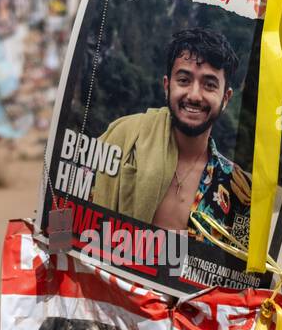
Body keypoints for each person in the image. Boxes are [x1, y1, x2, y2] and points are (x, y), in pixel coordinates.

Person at [89, 27, 250, 232]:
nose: (194, 95)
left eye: (209, 85)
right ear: (167, 86)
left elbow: (241, 260)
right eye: (184, 80)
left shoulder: (237, 188)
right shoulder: (125, 137)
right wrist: (54, 243)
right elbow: (64, 196)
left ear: (225, 98)